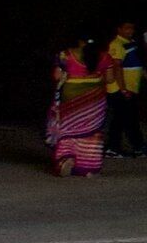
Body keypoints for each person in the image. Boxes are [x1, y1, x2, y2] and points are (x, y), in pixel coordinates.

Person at [45, 39, 109, 177]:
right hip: (95, 99)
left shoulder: (66, 55)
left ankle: (66, 158)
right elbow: (110, 79)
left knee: (68, 129)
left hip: (71, 96)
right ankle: (89, 167)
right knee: (92, 133)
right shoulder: (105, 56)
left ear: (79, 40)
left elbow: (57, 76)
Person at [101, 20, 147, 159]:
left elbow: (138, 66)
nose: (130, 31)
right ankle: (116, 147)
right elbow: (116, 67)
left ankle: (133, 146)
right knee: (122, 119)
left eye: (132, 28)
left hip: (130, 88)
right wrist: (123, 89)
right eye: (127, 28)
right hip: (120, 89)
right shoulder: (117, 44)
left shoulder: (131, 44)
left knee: (127, 118)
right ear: (119, 29)